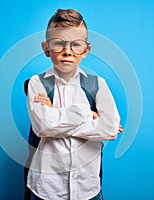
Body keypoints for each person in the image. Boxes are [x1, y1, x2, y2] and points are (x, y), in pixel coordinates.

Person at [25, 9, 123, 200]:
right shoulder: (37, 83)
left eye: (76, 45)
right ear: (46, 48)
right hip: (48, 188)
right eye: (59, 44)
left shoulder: (98, 84)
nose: (68, 51)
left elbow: (110, 128)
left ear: (86, 50)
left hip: (88, 186)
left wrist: (56, 114)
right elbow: (43, 126)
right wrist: (88, 114)